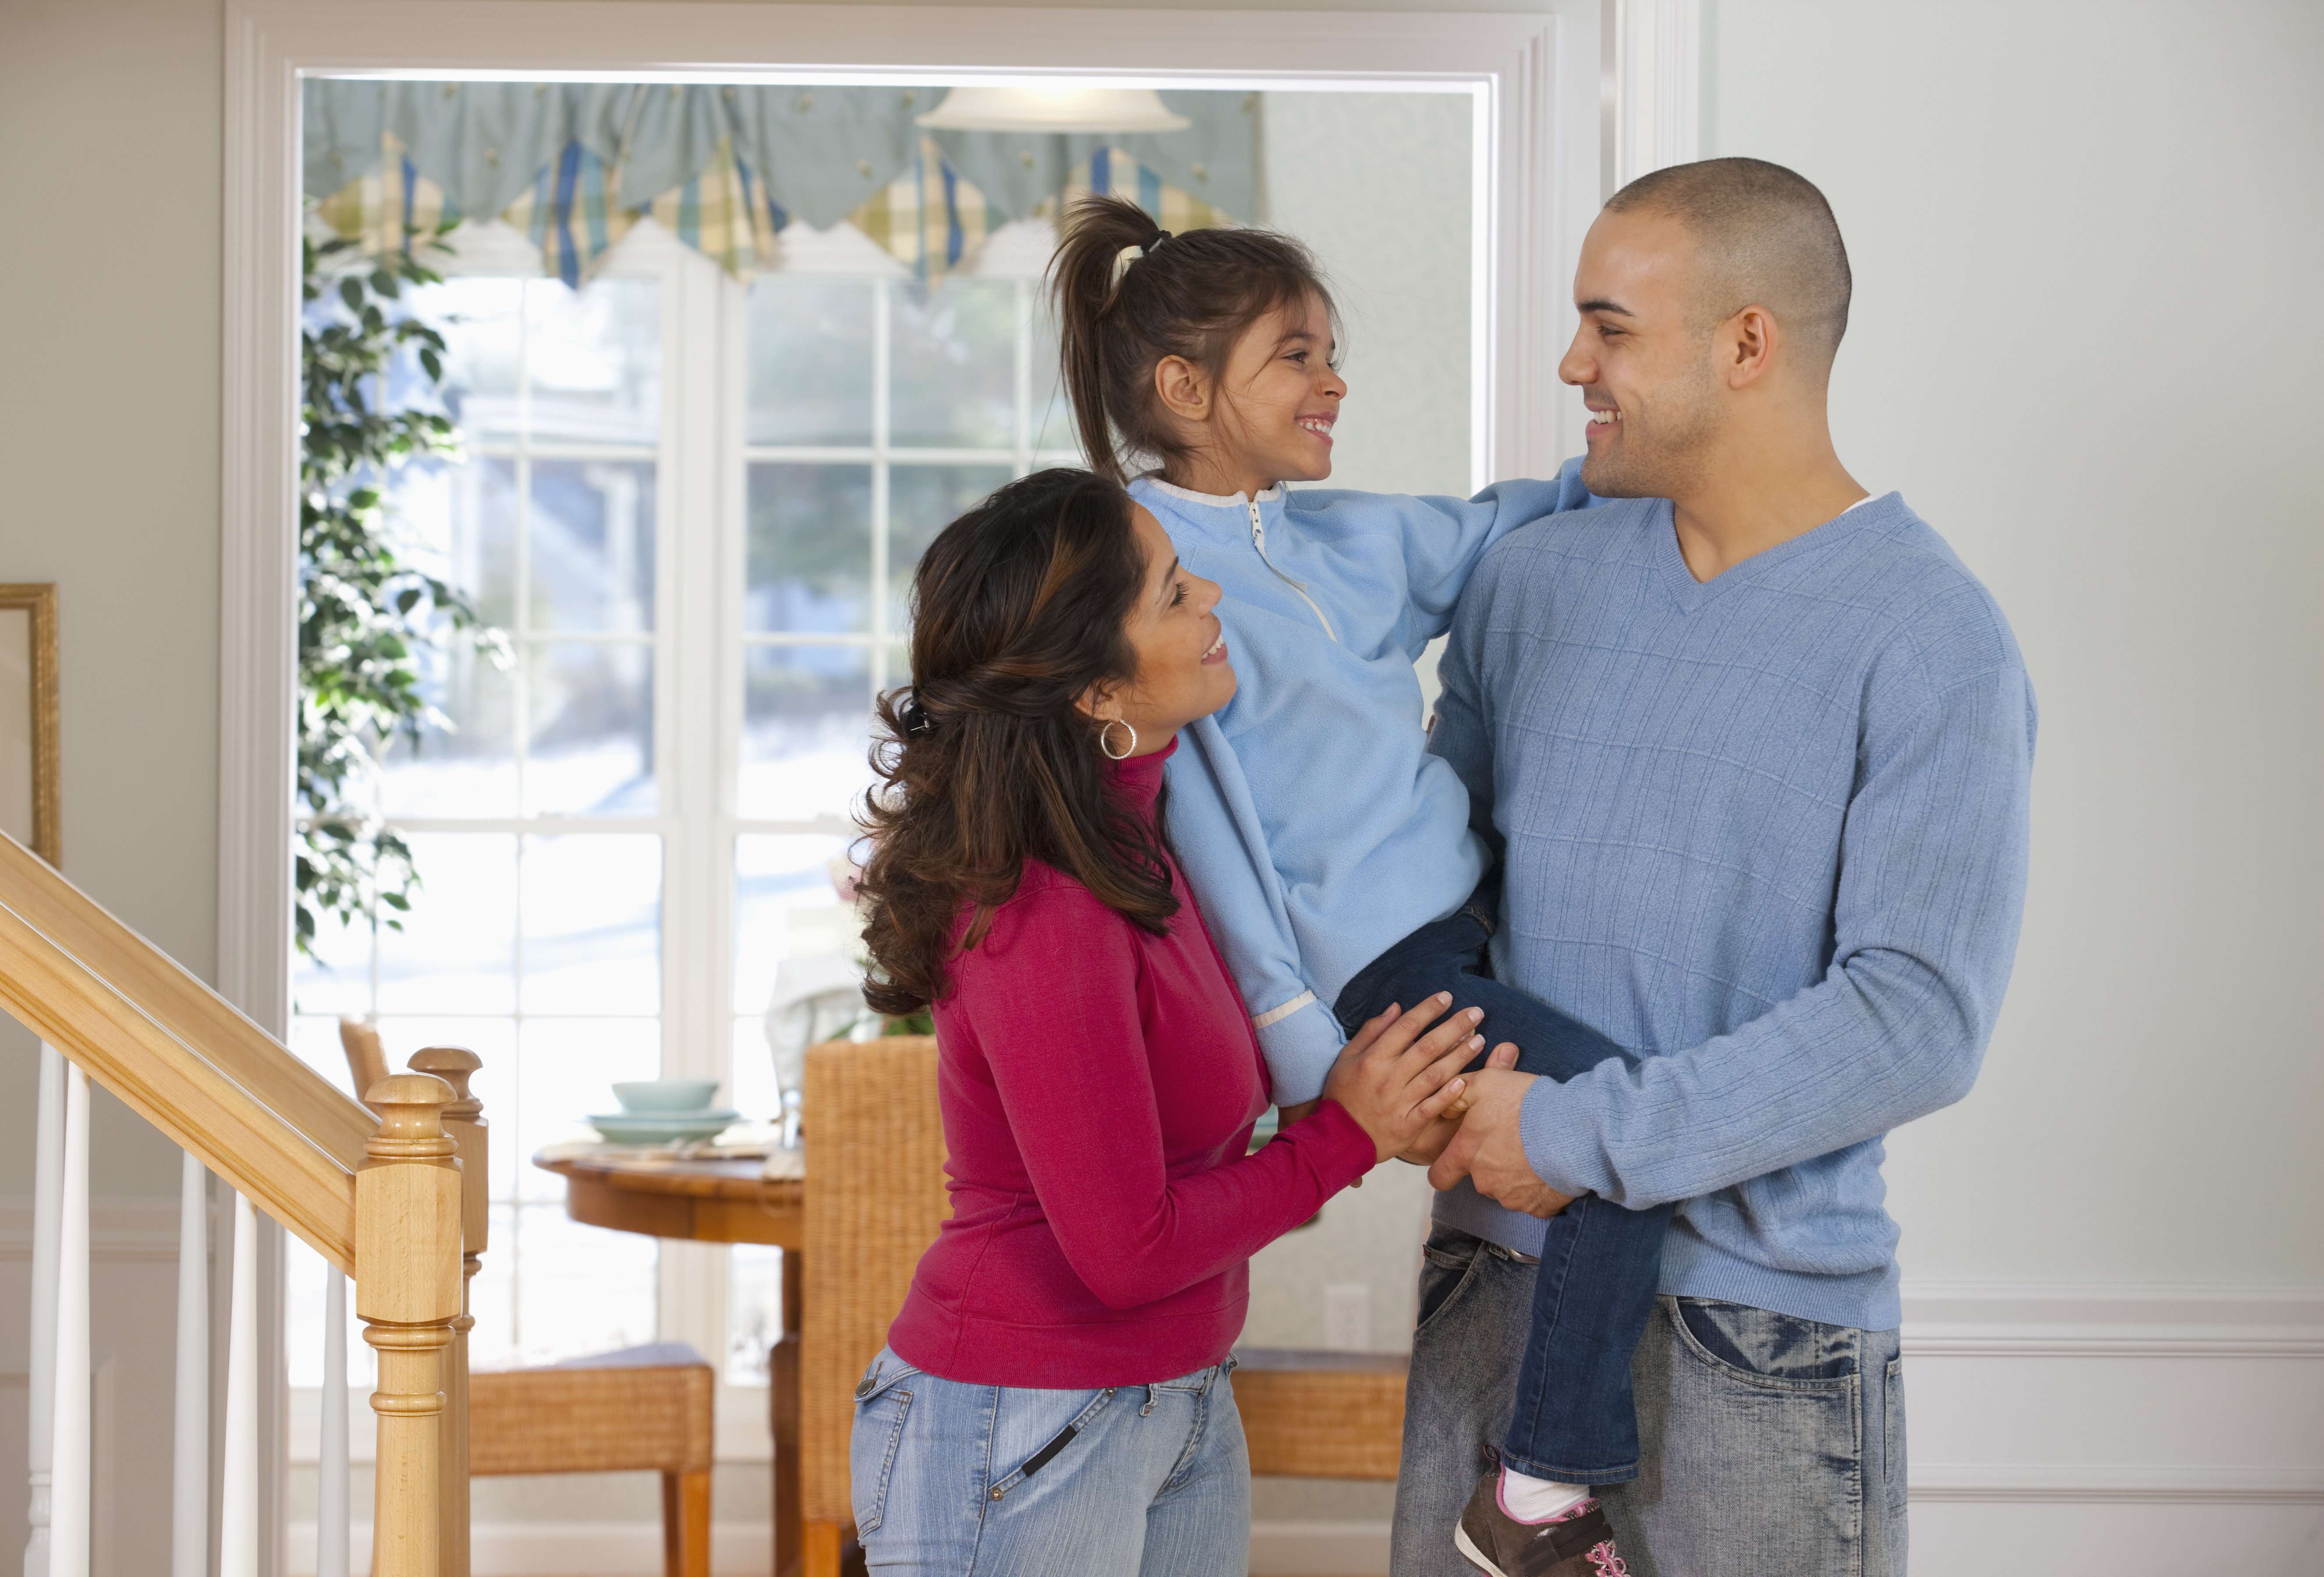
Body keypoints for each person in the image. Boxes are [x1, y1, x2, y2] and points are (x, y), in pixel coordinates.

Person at [1413, 158, 2035, 1576]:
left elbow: (1917, 1018)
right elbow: (1440, 902)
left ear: (1748, 344)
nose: (1573, 365)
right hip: (1492, 1291)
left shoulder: (1933, 637)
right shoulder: (1530, 585)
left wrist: (1573, 1136)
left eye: (1610, 327)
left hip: (1755, 1338)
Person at [1051, 194, 1666, 1571]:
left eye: (1332, 353)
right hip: (1388, 972)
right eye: (1297, 356)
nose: (1333, 382)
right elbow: (1199, 840)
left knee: (1606, 1130)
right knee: (1620, 1135)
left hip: (1476, 920)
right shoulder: (1154, 581)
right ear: (1185, 391)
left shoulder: (1339, 538)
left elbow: (1499, 524)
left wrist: (1641, 443)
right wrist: (1306, 1050)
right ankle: (1539, 1490)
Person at [847, 466, 1493, 1576]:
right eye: (1173, 594)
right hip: (1018, 1422)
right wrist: (1343, 1135)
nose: (1213, 601)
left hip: (1179, 1395)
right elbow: (1126, 1252)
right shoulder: (1040, 905)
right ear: (1097, 690)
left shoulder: (1152, 837)